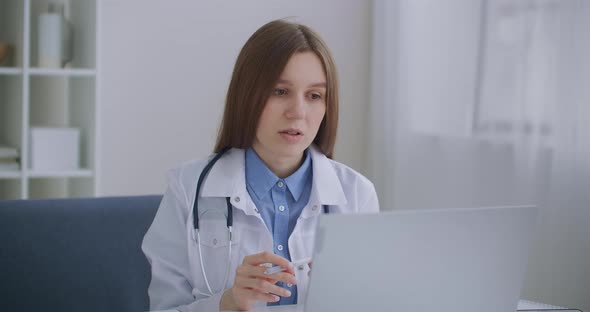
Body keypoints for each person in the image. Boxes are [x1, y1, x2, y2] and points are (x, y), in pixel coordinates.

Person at [142, 19, 379, 311]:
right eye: (280, 91)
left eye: (314, 96)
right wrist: (227, 303)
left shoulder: (357, 194)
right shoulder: (187, 188)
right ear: (247, 96)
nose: (298, 112)